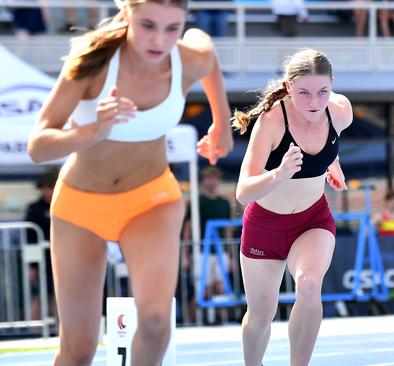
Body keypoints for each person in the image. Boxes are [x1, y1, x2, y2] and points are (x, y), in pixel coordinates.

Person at [27, 0, 233, 364]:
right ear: (126, 15)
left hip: (151, 200)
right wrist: (94, 130)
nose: (159, 39)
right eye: (148, 25)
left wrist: (221, 122)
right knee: (77, 351)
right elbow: (38, 146)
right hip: (80, 206)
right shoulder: (92, 61)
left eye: (173, 28)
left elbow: (208, 54)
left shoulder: (187, 59)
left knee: (155, 323)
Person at [232, 48, 353, 366]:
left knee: (310, 285)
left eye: (322, 92)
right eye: (303, 93)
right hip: (265, 225)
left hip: (312, 220)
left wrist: (332, 161)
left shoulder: (339, 111)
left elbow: (329, 140)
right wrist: (279, 174)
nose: (314, 103)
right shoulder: (272, 122)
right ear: (287, 87)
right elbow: (243, 192)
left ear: (332, 86)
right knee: (260, 316)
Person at [181, 166, 233, 323]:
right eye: (209, 178)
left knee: (220, 288)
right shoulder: (196, 202)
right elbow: (188, 228)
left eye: (215, 178)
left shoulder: (224, 202)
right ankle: (190, 321)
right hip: (201, 251)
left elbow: (228, 229)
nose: (212, 182)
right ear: (203, 181)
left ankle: (221, 320)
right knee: (201, 290)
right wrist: (186, 255)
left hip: (220, 251)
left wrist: (230, 255)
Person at [24, 168, 59, 322]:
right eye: (44, 188)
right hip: (42, 261)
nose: (47, 192)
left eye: (50, 188)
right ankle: (36, 330)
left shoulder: (65, 207)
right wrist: (32, 266)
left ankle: (62, 330)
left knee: (61, 295)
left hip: (63, 259)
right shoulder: (35, 209)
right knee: (40, 294)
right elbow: (30, 236)